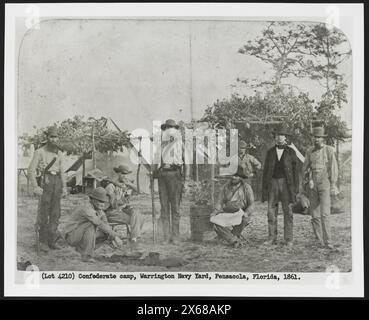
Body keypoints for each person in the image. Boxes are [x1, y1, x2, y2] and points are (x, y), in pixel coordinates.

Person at [28, 126, 67, 252]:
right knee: (44, 213)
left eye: (55, 137)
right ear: (47, 138)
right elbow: (31, 170)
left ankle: (52, 241)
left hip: (57, 183)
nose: (53, 139)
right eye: (51, 136)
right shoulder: (40, 152)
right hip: (46, 181)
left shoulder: (59, 153)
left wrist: (64, 187)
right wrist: (35, 186)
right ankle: (43, 241)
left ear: (58, 138)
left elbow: (62, 172)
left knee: (56, 213)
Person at [153, 119, 190, 244]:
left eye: (172, 127)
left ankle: (175, 236)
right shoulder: (160, 145)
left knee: (175, 208)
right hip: (162, 175)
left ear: (175, 130)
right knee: (164, 207)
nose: (169, 130)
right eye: (167, 127)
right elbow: (155, 162)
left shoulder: (180, 143)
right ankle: (166, 236)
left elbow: (187, 162)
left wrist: (186, 179)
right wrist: (153, 175)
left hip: (175, 175)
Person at [262, 124, 299, 247]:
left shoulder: (291, 152)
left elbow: (295, 172)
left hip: (286, 184)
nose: (279, 138)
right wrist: (265, 188)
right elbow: (266, 171)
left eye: (282, 135)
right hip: (272, 183)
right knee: (271, 212)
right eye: (277, 135)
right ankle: (272, 238)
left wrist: (295, 189)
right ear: (275, 137)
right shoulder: (270, 152)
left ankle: (288, 239)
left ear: (285, 138)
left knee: (288, 211)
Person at [62, 187, 123, 262]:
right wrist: (115, 236)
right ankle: (87, 256)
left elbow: (106, 224)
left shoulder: (98, 209)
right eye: (100, 201)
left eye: (104, 202)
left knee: (106, 233)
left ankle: (81, 250)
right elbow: (98, 223)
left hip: (79, 234)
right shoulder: (87, 207)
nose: (102, 204)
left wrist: (112, 236)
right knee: (91, 225)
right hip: (71, 235)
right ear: (93, 200)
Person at [302, 127, 338, 250]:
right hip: (313, 185)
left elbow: (333, 168)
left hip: (325, 183)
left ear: (323, 138)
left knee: (325, 214)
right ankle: (319, 240)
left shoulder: (329, 150)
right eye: (314, 137)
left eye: (318, 137)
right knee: (315, 215)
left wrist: (333, 184)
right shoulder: (309, 151)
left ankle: (328, 241)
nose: (316, 139)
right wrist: (308, 180)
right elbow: (305, 168)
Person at [210, 165, 254, 248]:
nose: (233, 178)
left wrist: (246, 213)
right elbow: (219, 202)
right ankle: (233, 240)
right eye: (232, 175)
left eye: (236, 176)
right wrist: (215, 211)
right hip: (227, 212)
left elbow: (251, 204)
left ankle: (229, 237)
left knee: (244, 219)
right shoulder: (225, 187)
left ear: (240, 177)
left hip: (241, 213)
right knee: (214, 220)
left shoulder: (246, 188)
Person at [100, 164, 143, 250]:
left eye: (126, 174)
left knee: (137, 214)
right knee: (137, 219)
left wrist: (128, 184)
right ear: (118, 173)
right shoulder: (111, 186)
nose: (125, 176)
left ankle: (133, 238)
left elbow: (140, 191)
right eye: (123, 173)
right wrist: (122, 200)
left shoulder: (126, 184)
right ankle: (134, 240)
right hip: (111, 212)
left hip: (121, 210)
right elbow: (113, 205)